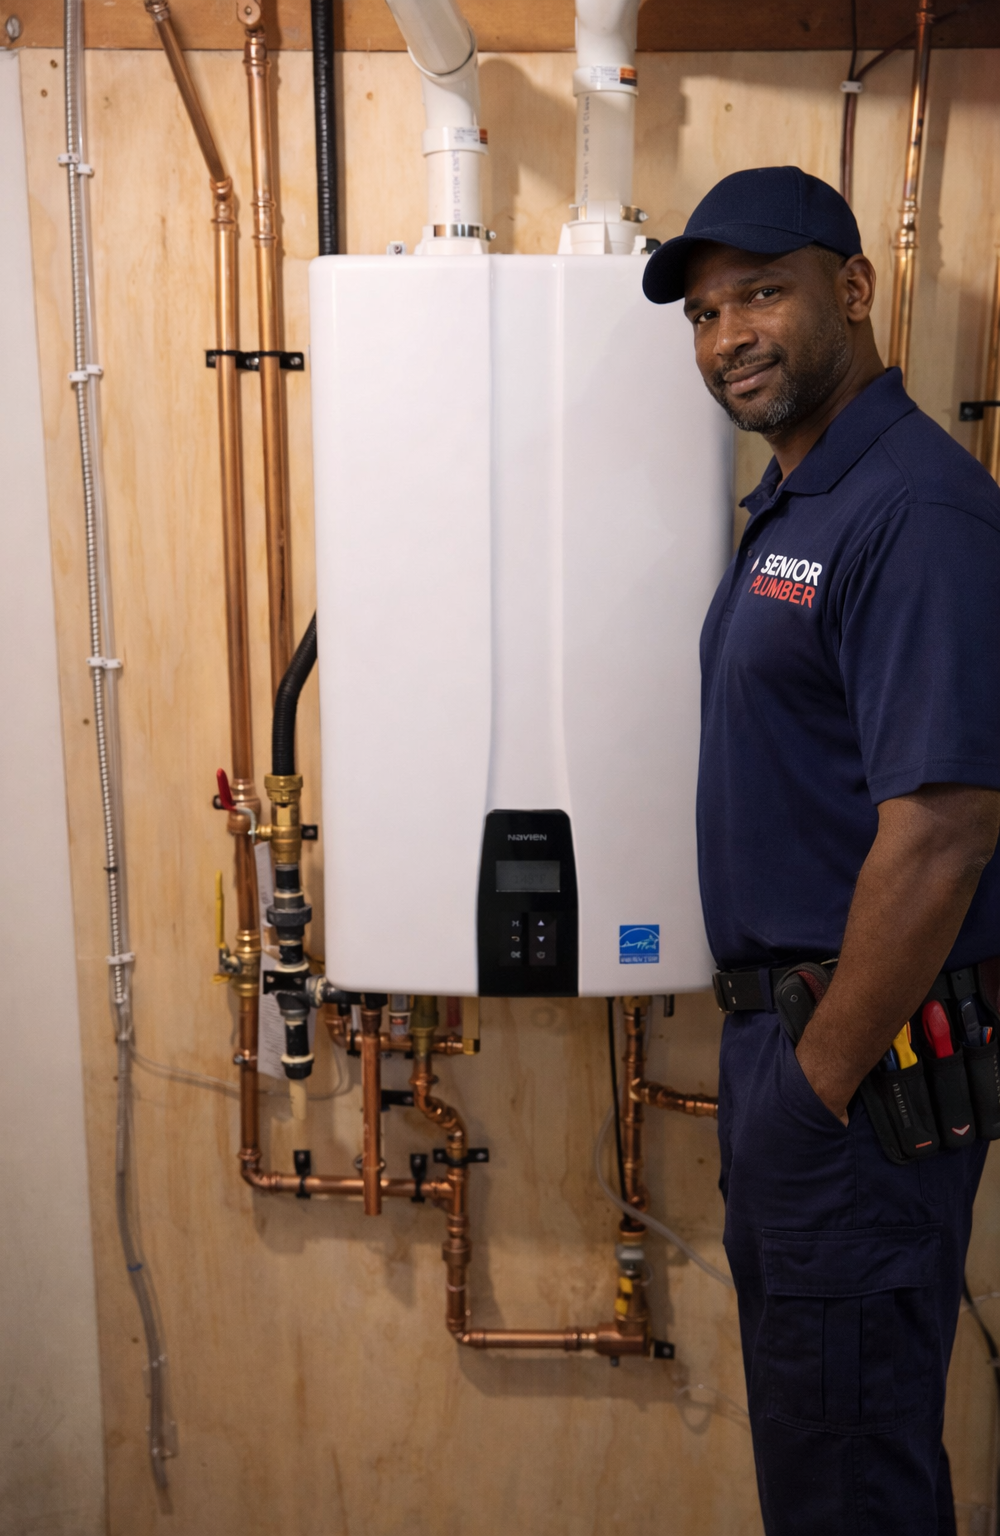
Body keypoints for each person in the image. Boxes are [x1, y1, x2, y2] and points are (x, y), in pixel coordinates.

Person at [643, 165, 1000, 1535]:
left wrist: (817, 1080)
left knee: (849, 1475)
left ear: (853, 291)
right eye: (706, 310)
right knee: (827, 1459)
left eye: (764, 294)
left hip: (853, 1066)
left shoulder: (917, 511)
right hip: (801, 1057)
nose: (729, 333)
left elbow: (945, 827)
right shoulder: (803, 503)